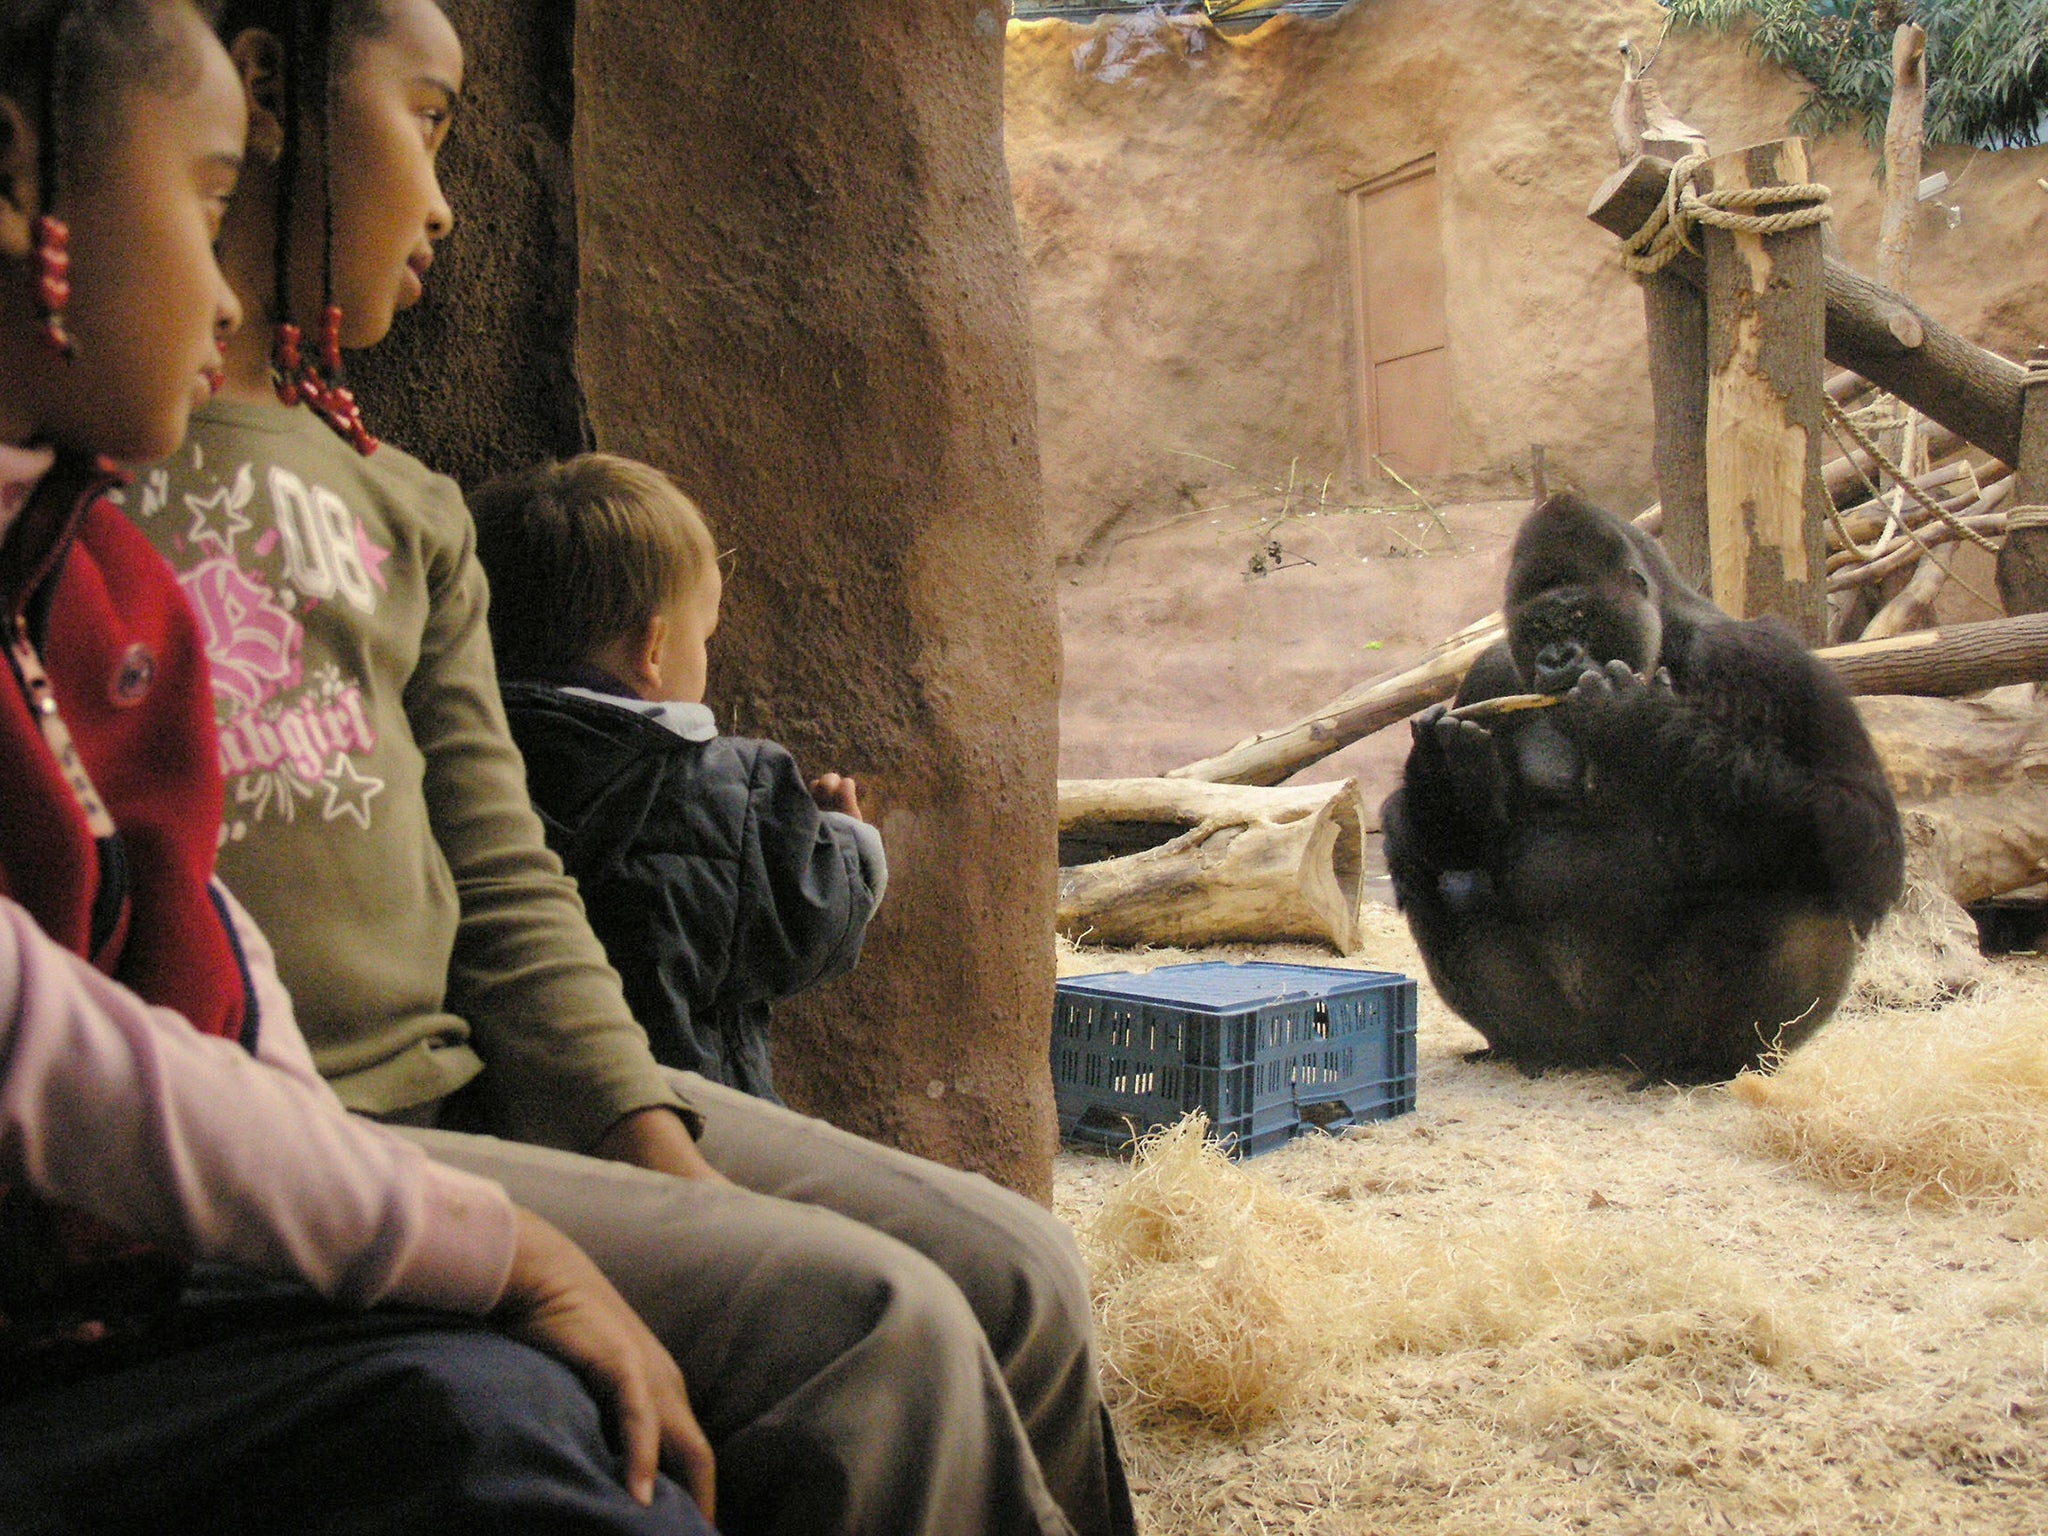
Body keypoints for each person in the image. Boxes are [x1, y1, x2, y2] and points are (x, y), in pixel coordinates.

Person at [123, 2, 1138, 1532]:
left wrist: (654, 1150)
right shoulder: (84, 463)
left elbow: (509, 885)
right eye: (429, 115)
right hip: (298, 1140)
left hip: (486, 1089)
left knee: (1023, 1268)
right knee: (879, 1334)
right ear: (269, 96)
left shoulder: (409, 506)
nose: (448, 197)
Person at [0, 2, 719, 1529]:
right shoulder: (100, 520)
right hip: (173, 1244)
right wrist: (482, 1240)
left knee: (979, 1269)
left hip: (326, 1155)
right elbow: (45, 1035)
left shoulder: (102, 571)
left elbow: (239, 932)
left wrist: (644, 1150)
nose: (218, 293)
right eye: (200, 208)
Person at [471, 453, 885, 1103]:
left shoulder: (454, 766)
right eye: (707, 636)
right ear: (654, 649)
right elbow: (815, 922)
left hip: (505, 1113)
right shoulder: (737, 788)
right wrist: (843, 837)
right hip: (684, 1117)